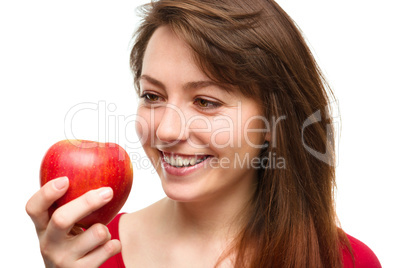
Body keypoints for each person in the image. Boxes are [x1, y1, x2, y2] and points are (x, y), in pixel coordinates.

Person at [26, 0, 382, 267]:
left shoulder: (346, 261)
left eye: (206, 102)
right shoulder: (90, 253)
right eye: (152, 96)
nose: (165, 129)